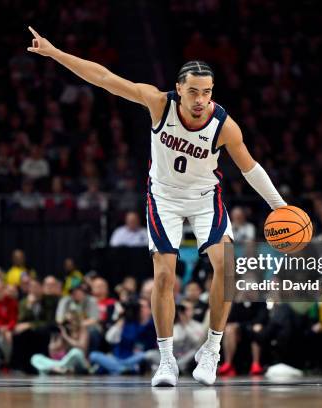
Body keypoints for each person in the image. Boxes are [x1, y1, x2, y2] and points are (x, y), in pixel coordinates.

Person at [27, 26, 287, 386]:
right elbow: (104, 78)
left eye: (207, 92)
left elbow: (250, 168)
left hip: (204, 199)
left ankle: (210, 351)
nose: (200, 100)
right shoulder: (158, 103)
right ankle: (166, 361)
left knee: (227, 270)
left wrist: (279, 206)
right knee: (164, 276)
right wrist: (55, 53)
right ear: (179, 89)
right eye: (193, 91)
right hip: (163, 198)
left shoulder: (224, 125)